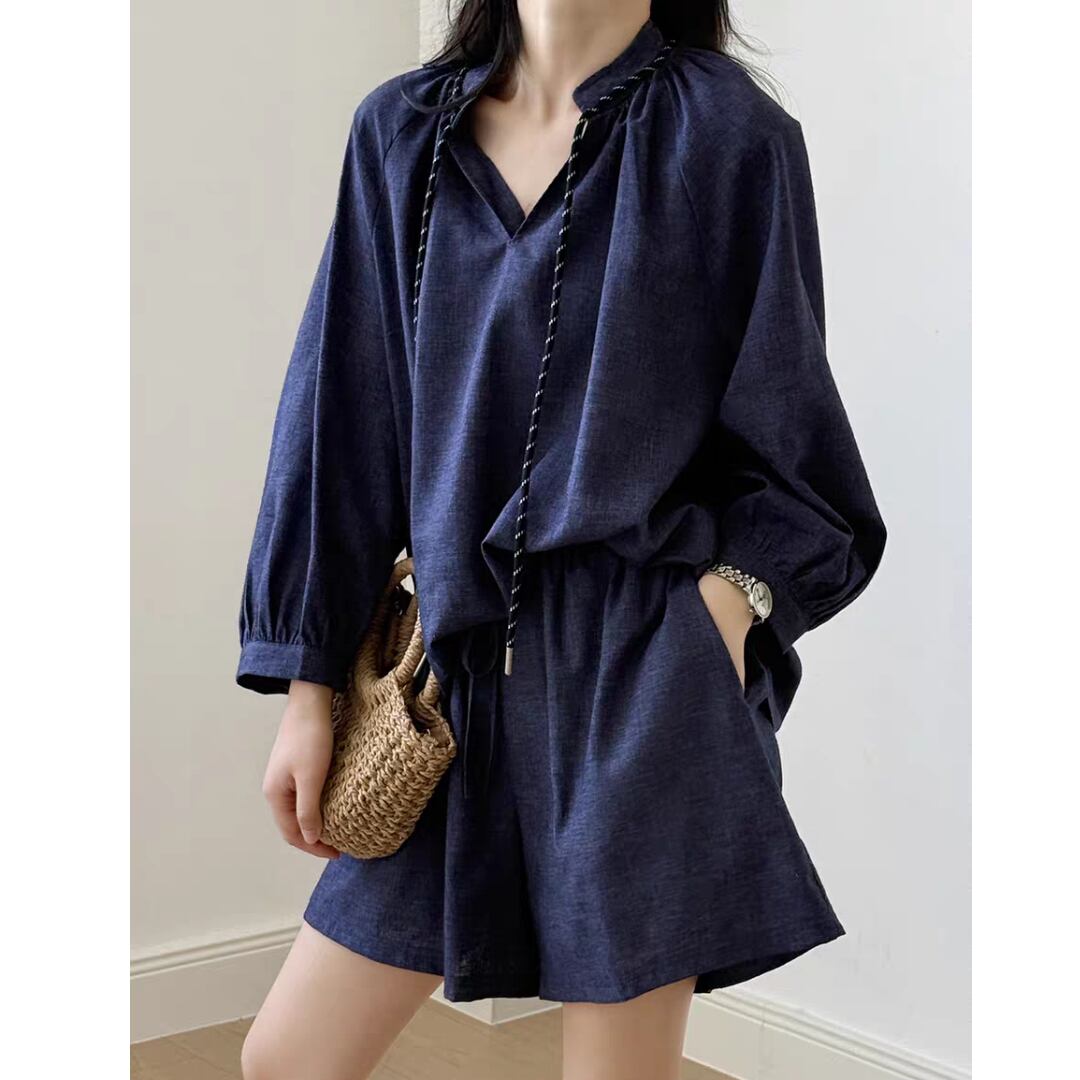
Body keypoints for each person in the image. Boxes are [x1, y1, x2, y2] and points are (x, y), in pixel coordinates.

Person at [235, 2, 886, 1078]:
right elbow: (338, 425)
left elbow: (797, 448)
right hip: (443, 687)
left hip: (641, 685)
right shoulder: (401, 133)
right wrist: (308, 689)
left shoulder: (729, 137)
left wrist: (724, 611)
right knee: (288, 1060)